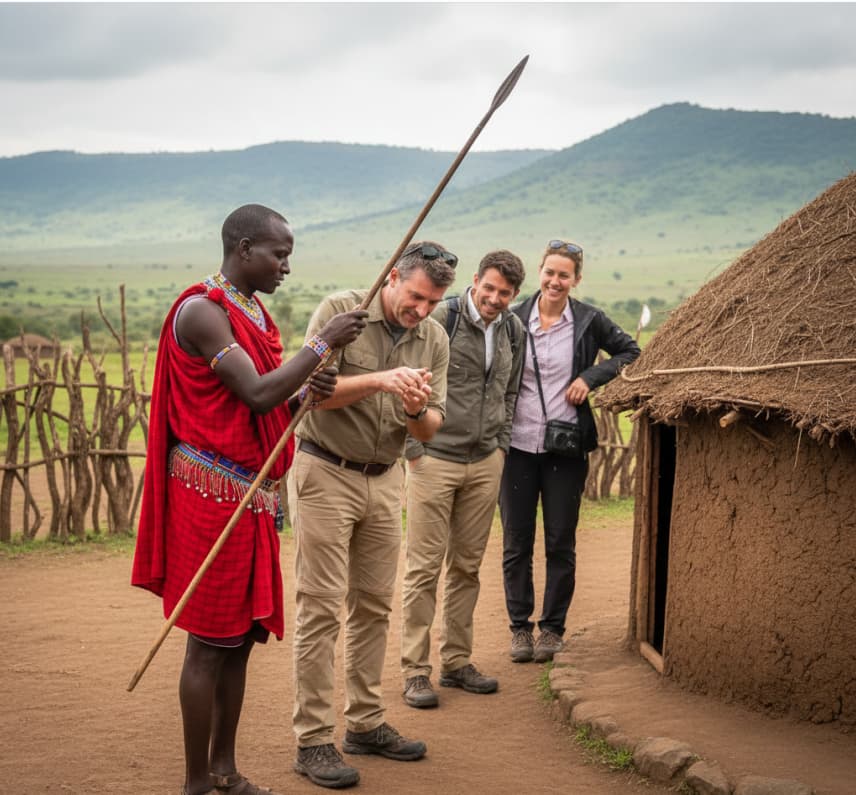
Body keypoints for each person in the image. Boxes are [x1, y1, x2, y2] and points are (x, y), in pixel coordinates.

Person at [131, 204, 368, 795]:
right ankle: (194, 784)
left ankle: (225, 772)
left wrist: (307, 392)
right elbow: (259, 395)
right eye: (278, 254)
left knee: (237, 641)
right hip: (210, 494)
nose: (286, 265)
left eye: (288, 254)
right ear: (242, 249)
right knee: (208, 645)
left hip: (251, 494)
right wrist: (321, 344)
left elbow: (272, 411)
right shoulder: (203, 313)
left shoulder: (252, 312)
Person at [287, 241, 456, 789]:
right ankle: (313, 740)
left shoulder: (434, 338)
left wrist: (413, 408)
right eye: (415, 297)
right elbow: (311, 394)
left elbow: (431, 428)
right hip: (326, 472)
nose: (422, 311)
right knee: (320, 606)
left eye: (433, 301)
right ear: (393, 280)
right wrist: (383, 381)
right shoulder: (341, 313)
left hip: (386, 480)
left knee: (375, 605)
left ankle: (364, 722)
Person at [499, 239, 640, 665]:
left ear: (576, 280)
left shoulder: (589, 320)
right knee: (515, 542)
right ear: (538, 273)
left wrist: (590, 376)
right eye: (549, 272)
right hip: (518, 445)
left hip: (566, 448)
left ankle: (552, 629)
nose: (555, 281)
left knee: (560, 541)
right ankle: (520, 629)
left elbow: (631, 350)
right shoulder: (513, 318)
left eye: (564, 275)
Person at [400, 249, 526, 709]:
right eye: (488, 288)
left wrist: (502, 445)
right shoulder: (443, 320)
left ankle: (456, 662)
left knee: (467, 567)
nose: (494, 298)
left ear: (514, 295)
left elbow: (511, 391)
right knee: (423, 568)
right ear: (475, 281)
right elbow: (414, 381)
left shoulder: (514, 329)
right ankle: (415, 671)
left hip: (485, 460)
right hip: (434, 457)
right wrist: (415, 449)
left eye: (505, 293)